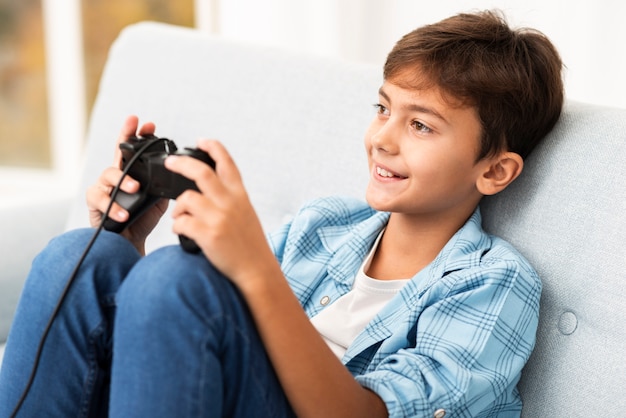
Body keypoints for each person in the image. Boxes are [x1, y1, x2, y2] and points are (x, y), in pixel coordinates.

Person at [0, 9, 563, 418]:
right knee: (86, 253)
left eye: (420, 125)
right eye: (383, 109)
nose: (382, 140)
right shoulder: (322, 227)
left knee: (179, 276)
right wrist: (136, 241)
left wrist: (252, 269)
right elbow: (186, 332)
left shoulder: (494, 282)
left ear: (494, 171)